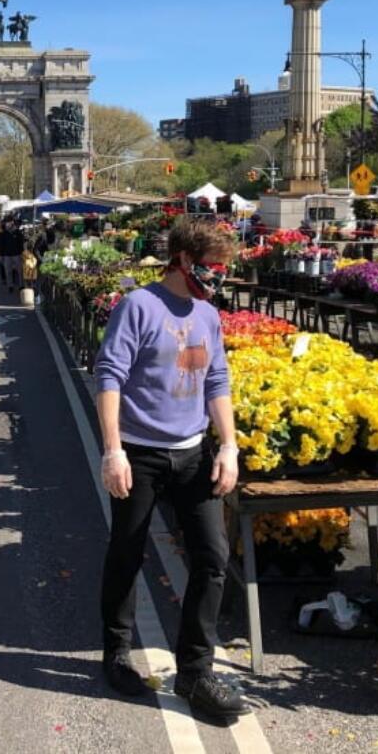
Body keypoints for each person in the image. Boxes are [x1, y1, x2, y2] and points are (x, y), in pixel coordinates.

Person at [92, 219, 250, 719]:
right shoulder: (139, 306)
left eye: (222, 269)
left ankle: (195, 672)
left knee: (211, 557)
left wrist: (228, 446)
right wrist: (113, 450)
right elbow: (110, 374)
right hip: (140, 454)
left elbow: (217, 378)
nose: (216, 277)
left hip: (192, 452)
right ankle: (116, 653)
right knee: (127, 553)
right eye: (209, 267)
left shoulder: (206, 313)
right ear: (181, 260)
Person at [0, 219, 25, 293]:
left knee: (20, 271)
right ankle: (10, 286)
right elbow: (1, 245)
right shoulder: (3, 234)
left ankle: (21, 285)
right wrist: (1, 255)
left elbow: (21, 244)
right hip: (7, 255)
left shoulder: (18, 232)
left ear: (12, 223)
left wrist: (22, 253)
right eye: (7, 224)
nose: (7, 225)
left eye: (9, 223)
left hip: (17, 254)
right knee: (8, 271)